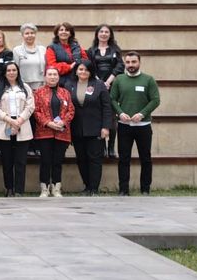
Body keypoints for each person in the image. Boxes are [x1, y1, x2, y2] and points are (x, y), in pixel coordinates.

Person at [111, 51, 160, 196]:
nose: (131, 65)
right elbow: (112, 99)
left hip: (143, 126)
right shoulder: (119, 80)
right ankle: (123, 190)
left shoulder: (148, 80)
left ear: (139, 62)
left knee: (145, 158)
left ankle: (145, 189)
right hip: (124, 126)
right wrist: (120, 113)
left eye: (134, 62)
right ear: (125, 63)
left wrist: (142, 114)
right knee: (123, 159)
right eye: (128, 62)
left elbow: (155, 100)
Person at [67, 59, 112, 197]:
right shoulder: (69, 85)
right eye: (80, 69)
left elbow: (107, 107)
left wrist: (106, 127)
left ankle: (94, 188)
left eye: (86, 69)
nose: (83, 72)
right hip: (77, 129)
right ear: (76, 71)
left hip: (95, 129)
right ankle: (87, 186)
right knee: (81, 159)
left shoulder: (99, 85)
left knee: (95, 159)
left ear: (91, 71)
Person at [0, 62, 35, 197]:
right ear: (5, 73)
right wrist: (10, 121)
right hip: (5, 126)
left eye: (14, 70)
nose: (11, 72)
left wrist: (19, 121)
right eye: (8, 70)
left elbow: (30, 107)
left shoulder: (25, 87)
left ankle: (19, 190)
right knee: (7, 161)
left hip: (22, 126)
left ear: (18, 72)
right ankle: (9, 188)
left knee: (20, 161)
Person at [33, 66, 75, 198]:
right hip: (44, 132)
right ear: (45, 77)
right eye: (49, 74)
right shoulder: (38, 92)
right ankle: (44, 188)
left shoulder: (65, 93)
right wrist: (48, 123)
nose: (52, 77)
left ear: (59, 77)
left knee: (57, 161)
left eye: (55, 74)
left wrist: (63, 122)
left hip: (62, 132)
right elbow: (36, 111)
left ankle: (57, 188)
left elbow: (71, 110)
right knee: (45, 161)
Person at [87, 24, 125, 158]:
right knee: (100, 116)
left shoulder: (115, 49)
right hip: (97, 86)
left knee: (112, 117)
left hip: (113, 86)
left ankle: (111, 148)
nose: (103, 34)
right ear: (97, 34)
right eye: (101, 31)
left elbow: (120, 66)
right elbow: (90, 67)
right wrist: (100, 83)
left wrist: (108, 82)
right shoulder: (91, 50)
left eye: (106, 32)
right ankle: (102, 146)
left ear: (110, 35)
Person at [46, 22, 89, 86]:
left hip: (77, 80)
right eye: (61, 30)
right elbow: (52, 66)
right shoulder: (51, 48)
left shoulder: (77, 46)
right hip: (60, 82)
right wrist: (69, 67)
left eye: (67, 30)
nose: (64, 32)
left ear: (70, 34)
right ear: (57, 33)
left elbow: (86, 61)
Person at [13, 23, 47, 91]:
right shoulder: (17, 50)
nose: (30, 35)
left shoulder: (42, 49)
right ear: (22, 35)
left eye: (32, 33)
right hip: (24, 86)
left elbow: (46, 67)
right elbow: (15, 69)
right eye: (27, 33)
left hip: (41, 85)